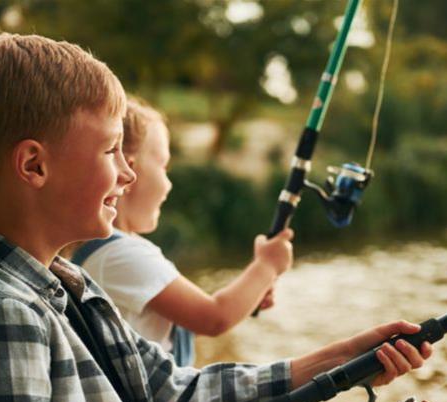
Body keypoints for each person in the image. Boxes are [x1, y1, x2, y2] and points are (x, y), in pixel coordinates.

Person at [0, 33, 434, 402]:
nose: (126, 175)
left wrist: (340, 361)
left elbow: (173, 393)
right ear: (34, 164)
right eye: (112, 150)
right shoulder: (5, 313)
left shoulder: (65, 283)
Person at [68, 98, 287, 367]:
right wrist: (267, 265)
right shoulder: (119, 254)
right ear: (131, 169)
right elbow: (213, 317)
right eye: (164, 166)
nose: (168, 184)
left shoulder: (112, 250)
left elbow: (185, 313)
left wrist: (247, 295)